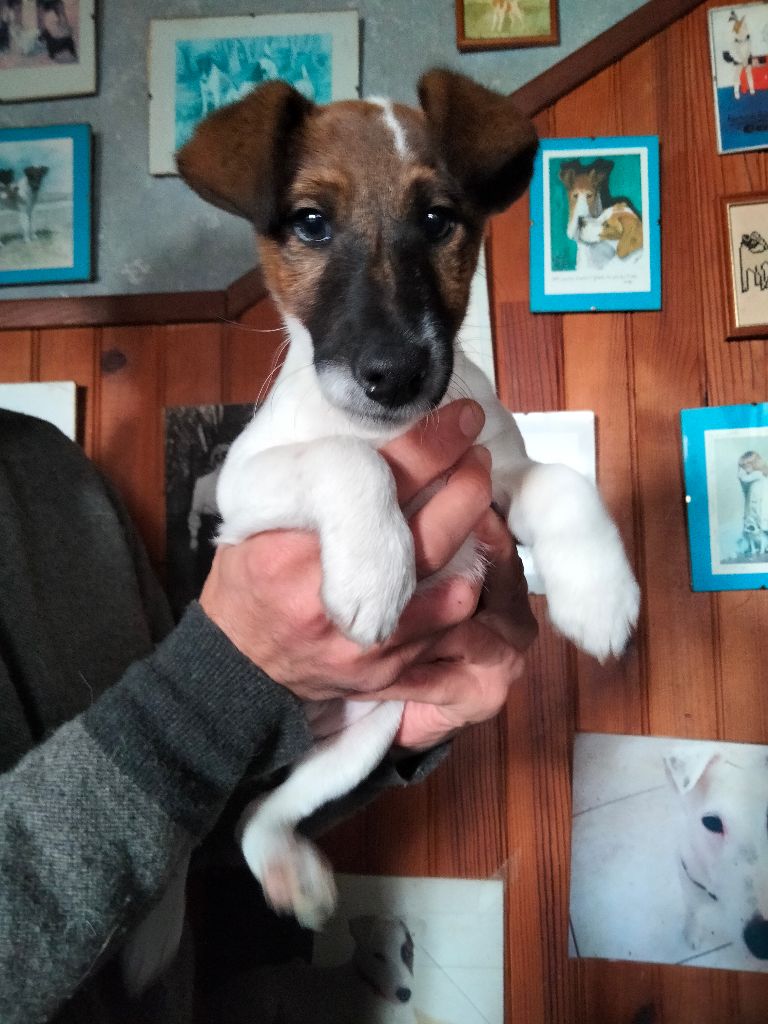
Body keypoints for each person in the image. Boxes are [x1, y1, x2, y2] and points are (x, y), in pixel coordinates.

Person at [0, 398, 536, 1023]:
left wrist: (386, 708)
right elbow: (190, 711)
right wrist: (228, 672)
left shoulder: (42, 462)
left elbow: (176, 790)